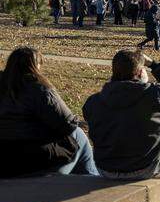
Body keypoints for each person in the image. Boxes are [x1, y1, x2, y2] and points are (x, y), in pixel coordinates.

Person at [83, 50, 160, 191]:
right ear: (140, 72)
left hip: (106, 168)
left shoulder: (93, 102)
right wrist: (153, 64)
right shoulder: (155, 94)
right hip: (145, 167)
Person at [0, 47, 98, 177]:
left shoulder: (4, 88)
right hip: (34, 162)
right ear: (35, 66)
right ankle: (92, 180)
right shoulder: (39, 89)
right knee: (78, 135)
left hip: (4, 160)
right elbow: (68, 124)